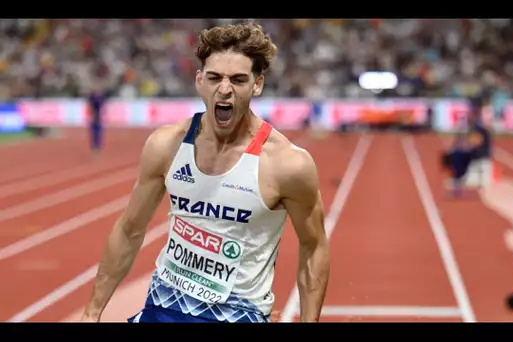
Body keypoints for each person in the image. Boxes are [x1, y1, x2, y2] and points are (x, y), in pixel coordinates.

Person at [80, 22, 330, 323]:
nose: (224, 89)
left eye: (238, 79)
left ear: (257, 84)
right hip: (162, 307)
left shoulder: (287, 164)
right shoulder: (166, 145)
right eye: (214, 78)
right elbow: (129, 229)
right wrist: (92, 312)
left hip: (238, 315)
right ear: (200, 81)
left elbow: (313, 246)